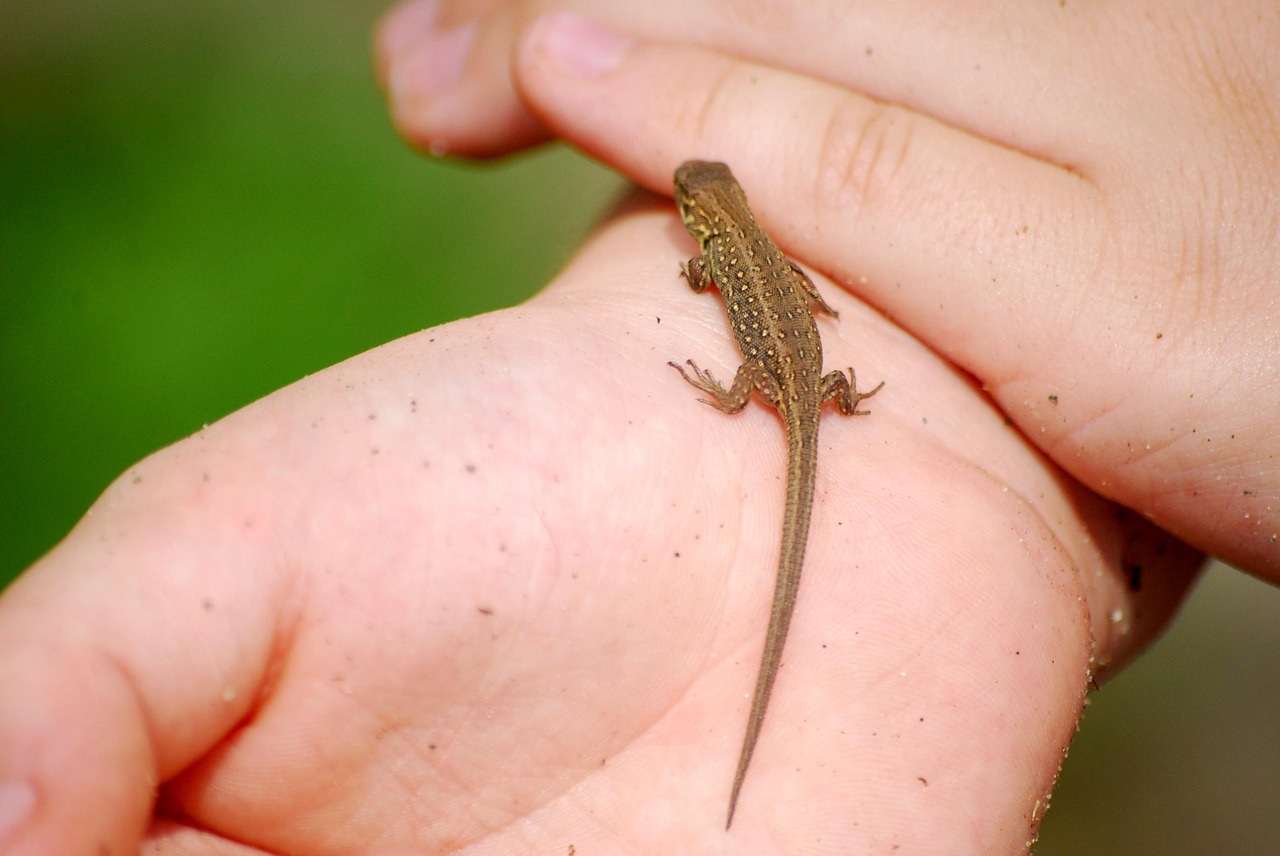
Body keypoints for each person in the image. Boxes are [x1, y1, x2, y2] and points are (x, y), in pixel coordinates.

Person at [2, 1, 1273, 851]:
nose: (689, 213)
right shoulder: (753, 251)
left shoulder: (716, 259)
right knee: (802, 407)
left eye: (692, 209)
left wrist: (740, 392)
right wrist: (901, 412)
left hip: (783, 387)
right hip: (813, 381)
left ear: (704, 221)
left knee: (759, 403)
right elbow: (800, 298)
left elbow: (716, 283)